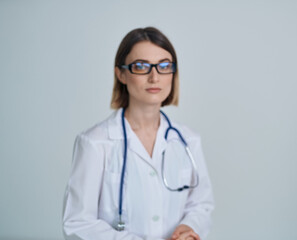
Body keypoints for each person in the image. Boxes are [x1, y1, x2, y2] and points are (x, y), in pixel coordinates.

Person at [62, 27, 214, 240]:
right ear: (121, 74)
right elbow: (77, 223)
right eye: (141, 67)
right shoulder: (95, 142)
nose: (154, 77)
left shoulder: (188, 139)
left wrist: (189, 227)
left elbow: (201, 204)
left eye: (164, 66)